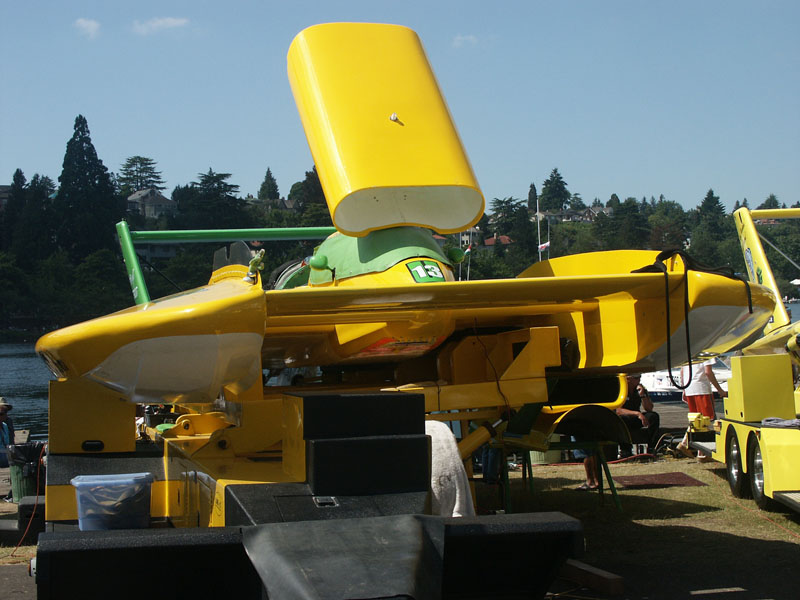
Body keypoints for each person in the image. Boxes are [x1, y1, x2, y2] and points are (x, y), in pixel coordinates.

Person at [677, 359, 727, 461]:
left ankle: (690, 446)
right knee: (705, 420)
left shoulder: (690, 350)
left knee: (696, 421)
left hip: (690, 387)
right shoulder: (707, 352)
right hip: (701, 387)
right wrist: (720, 390)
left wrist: (684, 388)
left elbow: (682, 371)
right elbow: (708, 372)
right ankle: (699, 452)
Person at [616, 375, 660, 458]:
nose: (639, 380)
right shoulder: (621, 390)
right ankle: (625, 449)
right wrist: (637, 414)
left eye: (640, 377)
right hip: (626, 417)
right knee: (622, 419)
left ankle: (652, 447)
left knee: (653, 416)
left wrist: (643, 395)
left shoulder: (640, 389)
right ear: (628, 379)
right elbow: (618, 410)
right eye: (636, 378)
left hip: (636, 418)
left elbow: (649, 408)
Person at [0, 397, 15, 468]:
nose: (5, 415)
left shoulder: (5, 425)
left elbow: (9, 442)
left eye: (6, 412)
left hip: (6, 454)